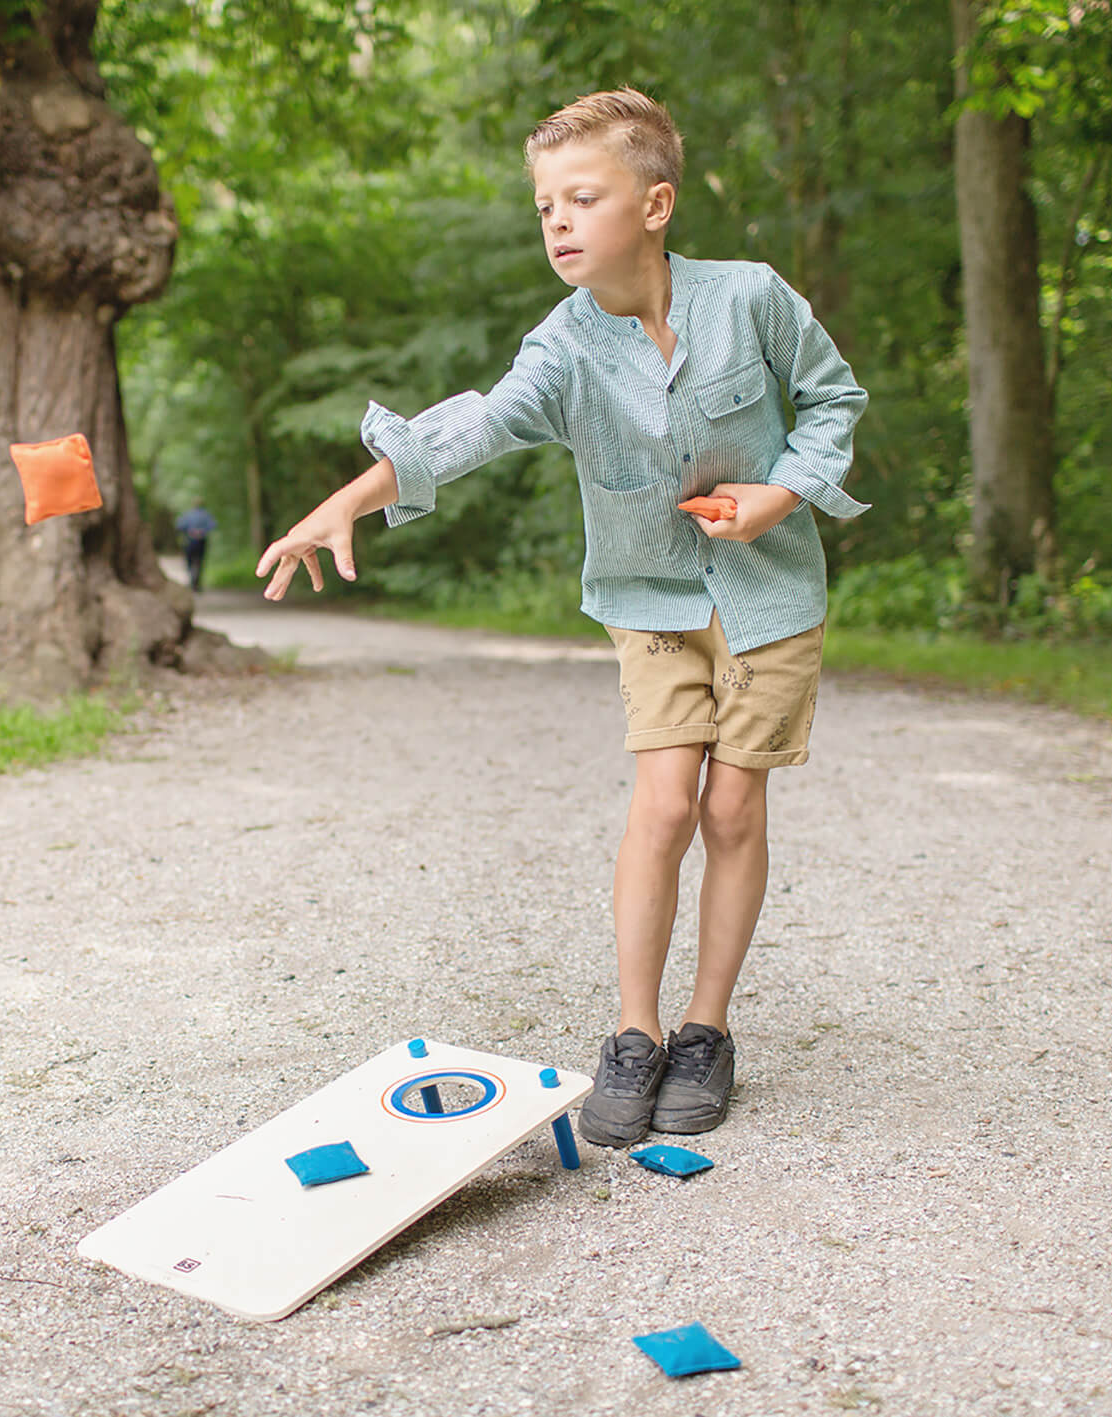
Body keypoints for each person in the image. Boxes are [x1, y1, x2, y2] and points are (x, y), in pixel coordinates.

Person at [255, 88, 868, 1146]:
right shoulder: (563, 348)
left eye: (582, 197)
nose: (558, 222)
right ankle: (633, 1033)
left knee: (731, 811)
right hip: (648, 600)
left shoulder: (752, 298)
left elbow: (832, 400)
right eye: (544, 206)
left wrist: (782, 491)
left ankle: (705, 1030)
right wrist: (350, 497)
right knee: (666, 804)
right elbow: (474, 425)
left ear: (656, 202)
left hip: (770, 590)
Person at [175, 505, 216, 591]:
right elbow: (213, 524)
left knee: (189, 560)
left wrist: (189, 531)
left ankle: (193, 580)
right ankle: (196, 582)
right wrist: (203, 531)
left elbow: (179, 525)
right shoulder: (206, 515)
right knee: (200, 561)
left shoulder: (187, 514)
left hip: (190, 541)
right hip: (200, 541)